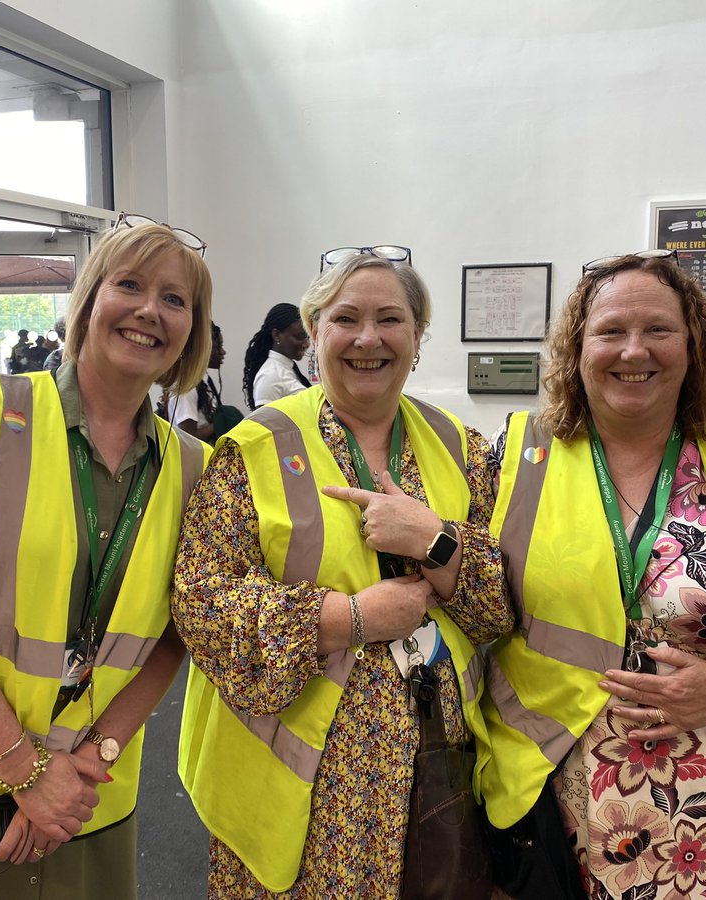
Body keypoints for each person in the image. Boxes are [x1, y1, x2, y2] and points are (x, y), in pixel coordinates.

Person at [479, 251, 706, 899]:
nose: (634, 350)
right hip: (548, 801)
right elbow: (471, 601)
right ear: (577, 349)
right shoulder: (517, 457)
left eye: (658, 329)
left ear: (692, 346)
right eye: (611, 331)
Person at [0, 218, 214, 899]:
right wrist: (27, 772)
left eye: (175, 299)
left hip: (87, 804)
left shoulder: (192, 469)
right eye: (130, 285)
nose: (150, 310)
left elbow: (177, 633)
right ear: (89, 301)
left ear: (192, 331)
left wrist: (84, 765)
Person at [174, 250, 511, 896]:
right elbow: (202, 602)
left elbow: (502, 604)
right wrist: (352, 618)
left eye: (390, 319)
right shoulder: (254, 448)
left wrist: (436, 542)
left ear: (418, 336)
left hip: (437, 767)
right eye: (346, 319)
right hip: (300, 785)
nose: (367, 338)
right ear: (315, 329)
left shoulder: (461, 448)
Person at [162, 322, 241, 443]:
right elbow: (188, 438)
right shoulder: (186, 387)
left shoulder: (200, 381)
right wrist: (222, 422)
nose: (223, 352)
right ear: (202, 348)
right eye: (218, 346)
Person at [242, 301, 311, 409]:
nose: (306, 344)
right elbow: (265, 419)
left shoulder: (286, 369)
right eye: (299, 337)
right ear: (277, 335)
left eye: (307, 337)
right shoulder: (269, 376)